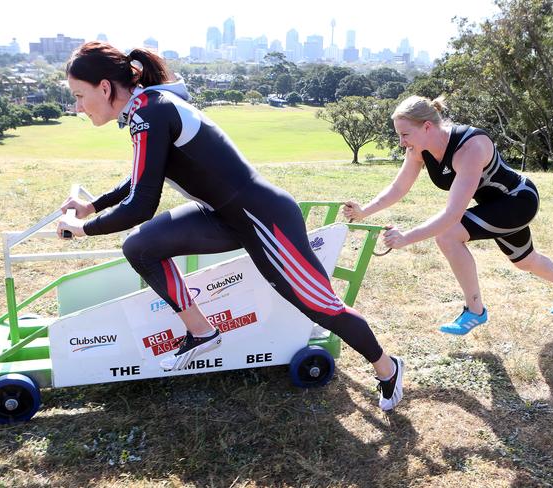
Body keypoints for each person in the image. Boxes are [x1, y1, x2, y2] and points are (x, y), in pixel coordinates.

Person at [56, 41, 404, 411]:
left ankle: (387, 368)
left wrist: (83, 229)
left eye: (79, 96)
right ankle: (201, 332)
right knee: (139, 247)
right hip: (222, 217)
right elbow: (142, 176)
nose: (78, 107)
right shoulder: (147, 107)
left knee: (320, 306)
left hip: (263, 219)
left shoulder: (149, 110)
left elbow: (142, 204)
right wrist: (91, 205)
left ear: (105, 88)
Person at [344, 95, 553, 335]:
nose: (401, 142)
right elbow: (399, 188)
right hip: (491, 207)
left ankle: (475, 311)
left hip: (518, 201)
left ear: (427, 126)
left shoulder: (470, 146)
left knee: (448, 235)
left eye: (405, 135)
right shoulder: (420, 148)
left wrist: (406, 238)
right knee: (526, 261)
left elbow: (452, 214)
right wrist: (364, 211)